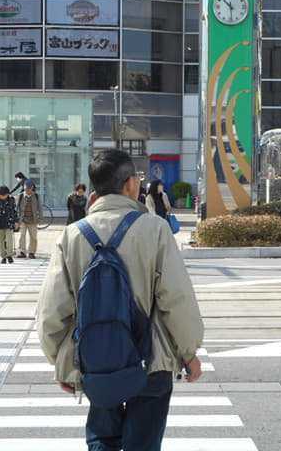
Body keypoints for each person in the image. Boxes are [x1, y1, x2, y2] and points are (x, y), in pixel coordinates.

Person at [36, 149, 203, 451]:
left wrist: (61, 363)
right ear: (129, 184)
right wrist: (188, 352)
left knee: (102, 440)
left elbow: (52, 309)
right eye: (138, 176)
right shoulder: (155, 229)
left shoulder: (72, 235)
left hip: (96, 359)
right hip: (151, 361)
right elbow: (176, 299)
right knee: (143, 444)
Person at [0, 185, 19, 264]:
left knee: (10, 240)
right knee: (0, 241)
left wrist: (16, 221)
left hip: (9, 223)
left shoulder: (11, 200)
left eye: (4, 195)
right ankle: (3, 257)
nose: (3, 197)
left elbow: (15, 211)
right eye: (1, 195)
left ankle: (9, 255)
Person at [16, 179, 43, 259]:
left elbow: (40, 208)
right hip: (23, 219)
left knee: (33, 237)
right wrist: (16, 220)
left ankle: (31, 252)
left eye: (28, 189)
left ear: (32, 188)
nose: (27, 190)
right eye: (25, 189)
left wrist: (40, 218)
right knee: (22, 236)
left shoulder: (36, 196)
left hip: (33, 219)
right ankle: (22, 251)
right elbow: (16, 208)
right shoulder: (20, 196)